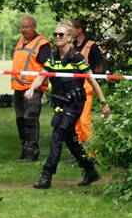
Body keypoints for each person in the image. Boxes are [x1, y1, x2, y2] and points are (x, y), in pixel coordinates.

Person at [25, 22, 111, 189]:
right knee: (71, 140)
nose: (57, 37)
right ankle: (90, 170)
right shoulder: (52, 57)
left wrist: (104, 103)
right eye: (55, 34)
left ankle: (46, 176)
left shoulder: (77, 58)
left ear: (69, 38)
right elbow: (42, 75)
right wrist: (31, 88)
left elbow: (92, 81)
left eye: (61, 35)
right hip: (60, 103)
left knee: (57, 136)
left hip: (75, 104)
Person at [10, 16, 52, 161]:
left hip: (33, 88)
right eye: (21, 27)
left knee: (30, 119)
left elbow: (47, 67)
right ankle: (24, 149)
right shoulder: (21, 41)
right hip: (18, 88)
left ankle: (32, 152)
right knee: (20, 119)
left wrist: (38, 86)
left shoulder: (42, 44)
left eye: (26, 27)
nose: (23, 30)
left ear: (34, 27)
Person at [70, 17, 104, 145]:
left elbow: (98, 67)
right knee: (76, 121)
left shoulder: (92, 46)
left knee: (84, 120)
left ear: (79, 30)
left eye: (71, 29)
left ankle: (92, 153)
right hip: (74, 87)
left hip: (87, 87)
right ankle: (81, 152)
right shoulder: (72, 46)